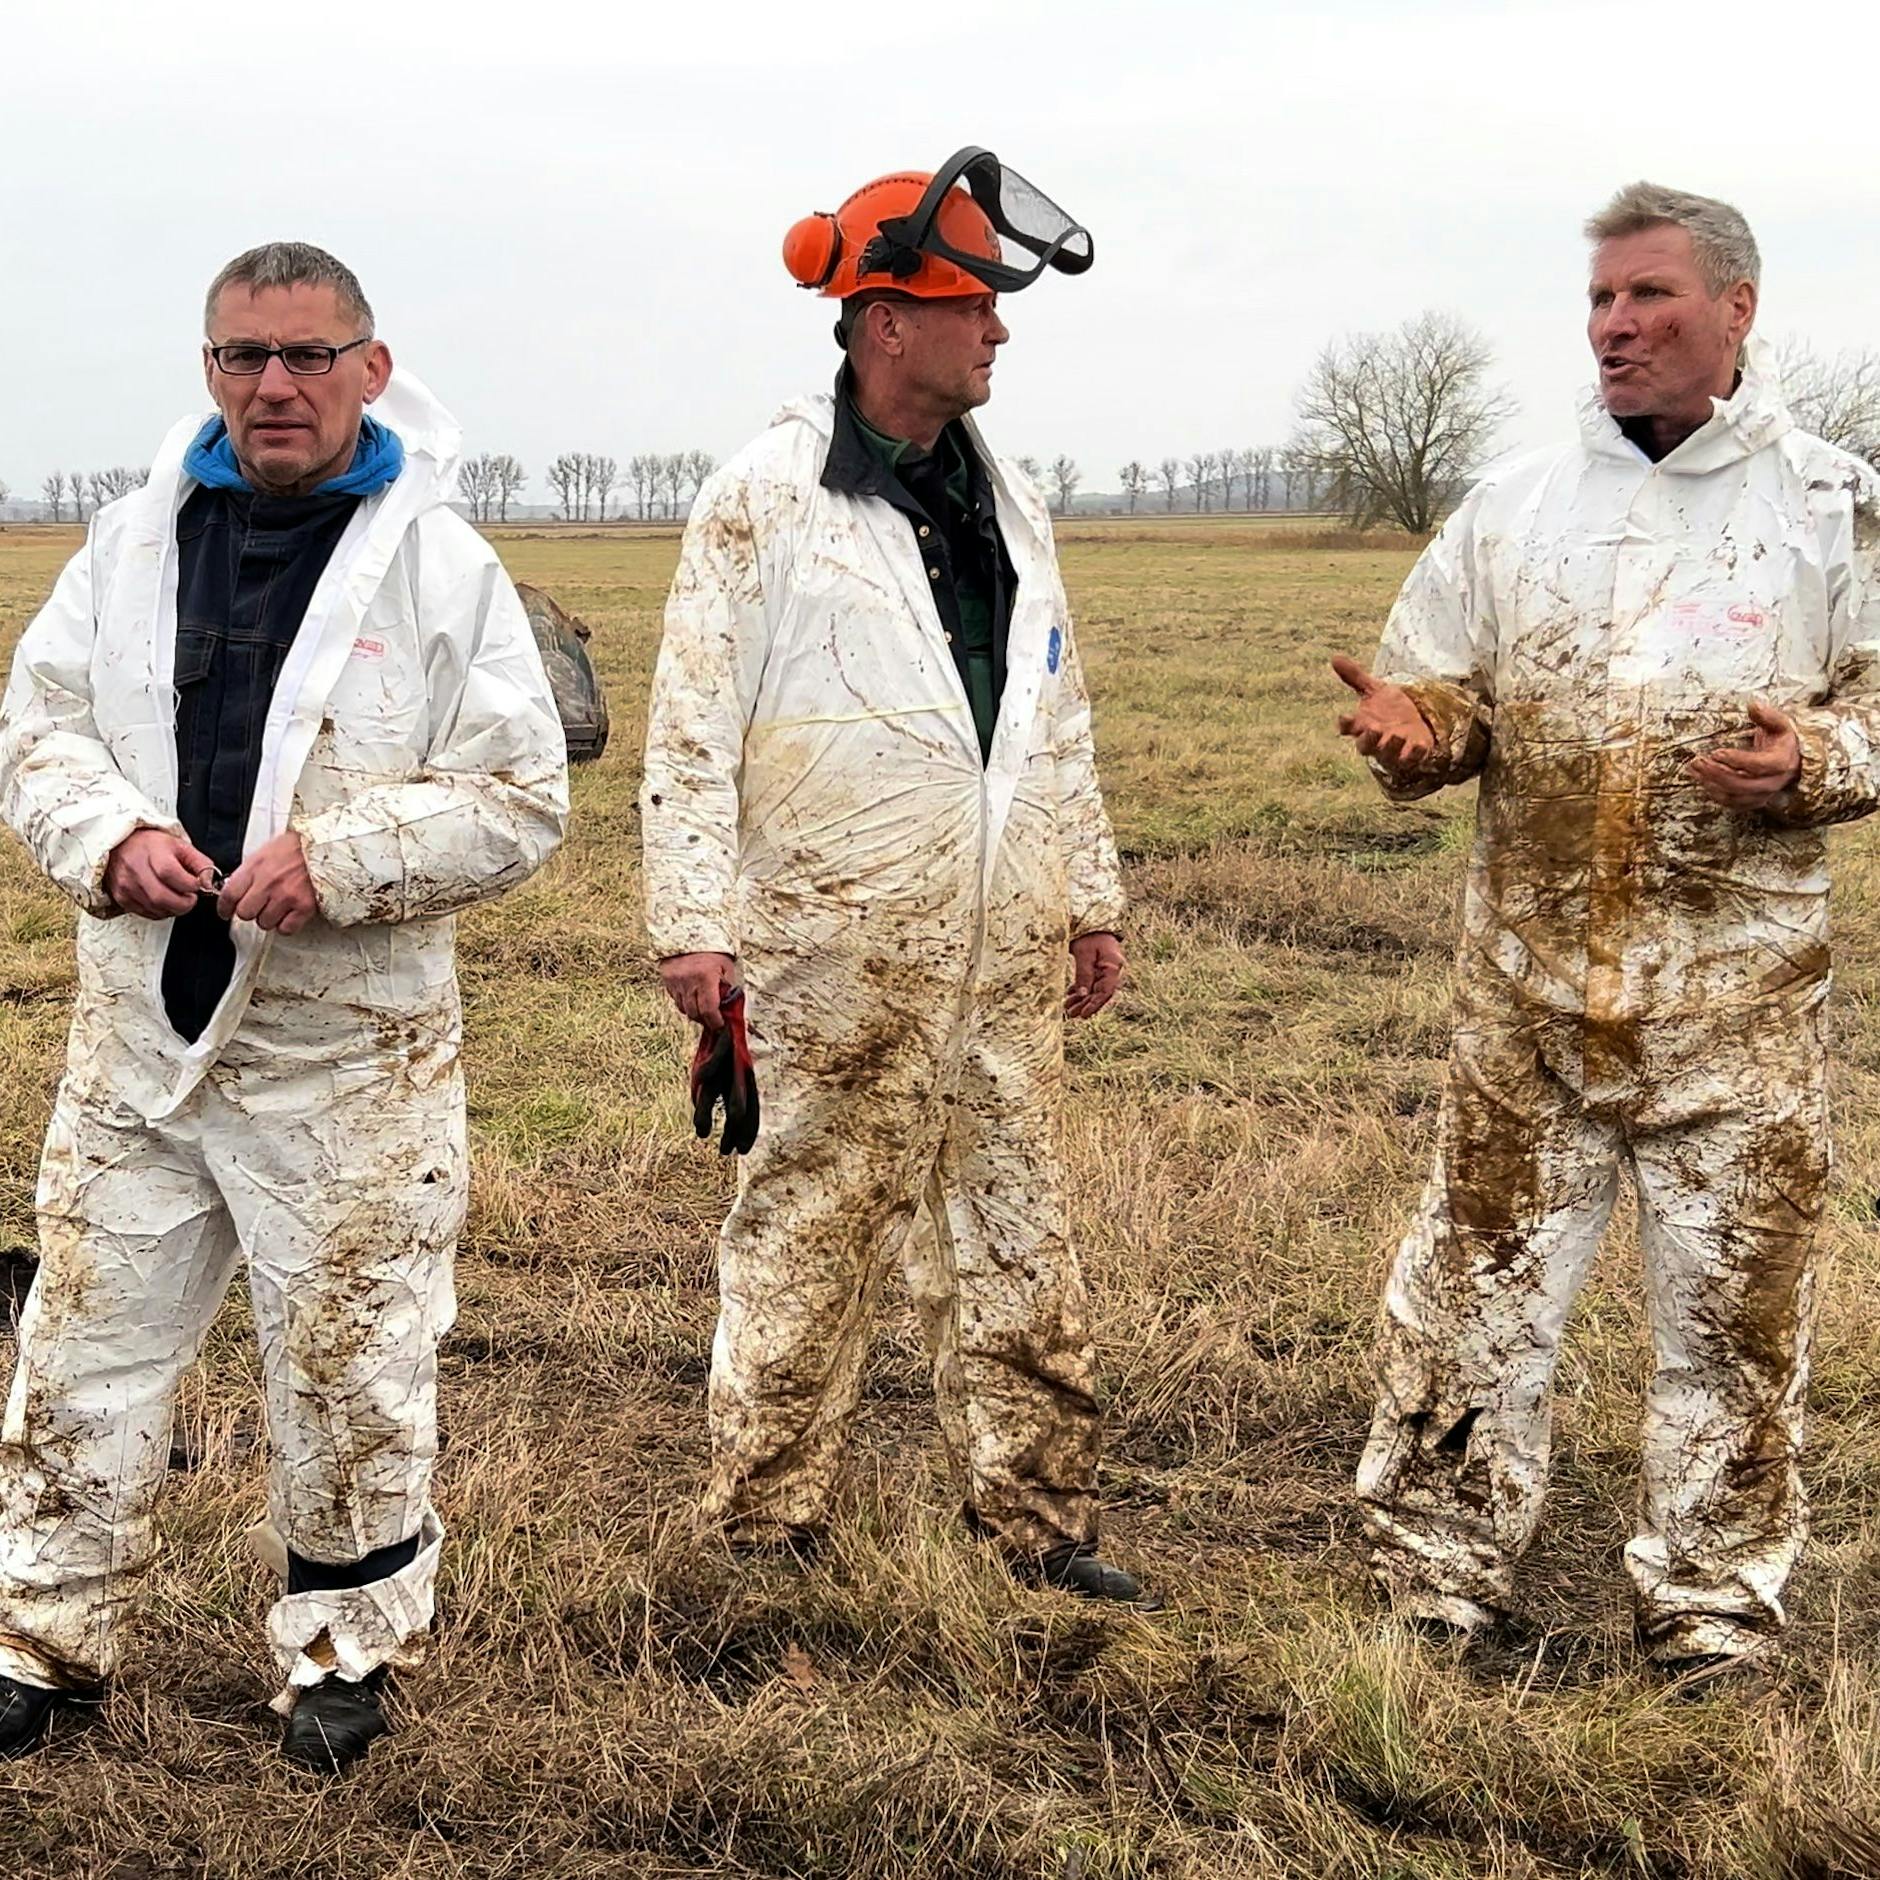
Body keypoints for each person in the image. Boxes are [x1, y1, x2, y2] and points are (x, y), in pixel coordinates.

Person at [0, 242, 568, 1765]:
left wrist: (345, 857)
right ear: (208, 371)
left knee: (349, 1352)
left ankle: (342, 1652)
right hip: (137, 1036)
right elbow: (35, 729)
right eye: (246, 356)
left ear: (370, 370)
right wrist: (109, 836)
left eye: (310, 357)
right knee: (83, 1340)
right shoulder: (122, 547)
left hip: (347, 1048)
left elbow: (522, 795)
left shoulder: (443, 571)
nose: (276, 387)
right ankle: (43, 1636)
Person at [1336, 182, 1880, 1678]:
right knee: (1470, 1303)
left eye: (1648, 297)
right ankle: (1438, 1582)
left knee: (1737, 1325)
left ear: (1738, 311)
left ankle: (1710, 1607)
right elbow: (1443, 687)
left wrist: (1816, 766)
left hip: (1742, 1006)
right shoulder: (1516, 505)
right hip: (1525, 1002)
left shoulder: (1832, 506)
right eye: (1599, 302)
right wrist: (1421, 734)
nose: (1616, 327)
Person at [642, 150, 1148, 1603]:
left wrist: (1089, 892)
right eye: (973, 304)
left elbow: (1054, 706)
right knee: (808, 1224)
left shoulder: (1016, 498)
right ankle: (764, 1530)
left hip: (1001, 942)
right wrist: (691, 924)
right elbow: (690, 714)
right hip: (829, 941)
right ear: (884, 323)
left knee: (1020, 1232)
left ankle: (1039, 1524)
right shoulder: (765, 495)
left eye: (995, 303)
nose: (997, 330)